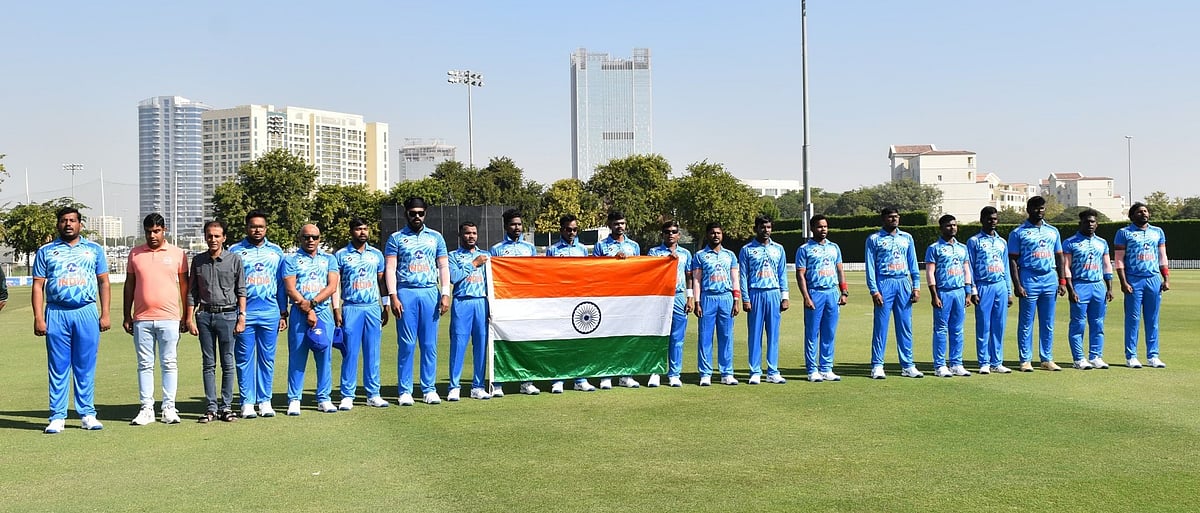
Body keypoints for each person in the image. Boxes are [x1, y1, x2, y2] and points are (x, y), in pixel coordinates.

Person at [33, 207, 111, 433]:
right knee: (58, 367)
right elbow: (38, 286)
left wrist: (105, 313)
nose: (68, 224)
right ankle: (57, 416)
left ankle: (87, 414)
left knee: (85, 365)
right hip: (57, 312)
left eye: (73, 220)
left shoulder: (94, 249)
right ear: (58, 224)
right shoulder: (46, 251)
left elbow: (104, 282)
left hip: (86, 311)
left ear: (80, 224)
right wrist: (38, 317)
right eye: (64, 220)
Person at [122, 213, 189, 425]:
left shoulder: (178, 254)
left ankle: (169, 407)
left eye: (156, 231)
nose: (152, 235)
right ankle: (146, 408)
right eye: (149, 231)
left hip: (170, 318)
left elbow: (185, 287)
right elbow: (129, 285)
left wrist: (187, 315)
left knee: (169, 363)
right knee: (144, 364)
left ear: (164, 230)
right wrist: (126, 314)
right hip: (142, 318)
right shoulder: (135, 253)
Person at [385, 197, 451, 405]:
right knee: (406, 344)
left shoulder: (436, 237)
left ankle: (429, 389)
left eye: (420, 213)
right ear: (406, 213)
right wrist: (393, 295)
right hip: (406, 292)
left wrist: (445, 293)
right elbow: (390, 269)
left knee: (429, 344)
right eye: (413, 213)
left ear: (425, 214)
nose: (417, 217)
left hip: (430, 292)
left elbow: (443, 267)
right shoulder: (396, 238)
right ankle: (405, 390)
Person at [229, 210, 288, 418]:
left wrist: (283, 313)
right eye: (253, 226)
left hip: (270, 312)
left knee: (267, 359)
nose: (257, 230)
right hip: (244, 314)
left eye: (260, 227)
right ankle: (247, 402)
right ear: (247, 227)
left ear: (266, 228)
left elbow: (282, 285)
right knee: (244, 358)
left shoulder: (276, 251)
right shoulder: (235, 250)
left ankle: (265, 401)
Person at [188, 220, 247, 423]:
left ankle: (226, 407)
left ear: (224, 238)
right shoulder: (198, 261)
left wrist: (242, 316)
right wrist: (189, 318)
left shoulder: (234, 260)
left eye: (217, 236)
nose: (213, 239)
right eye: (209, 236)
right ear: (205, 237)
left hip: (228, 315)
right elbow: (192, 293)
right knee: (208, 364)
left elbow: (241, 290)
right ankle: (211, 407)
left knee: (228, 363)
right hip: (204, 316)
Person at [333, 217, 391, 409]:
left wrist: (385, 305)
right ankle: (347, 395)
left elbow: (382, 282)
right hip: (351, 307)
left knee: (372, 352)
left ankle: (373, 394)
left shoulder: (376, 255)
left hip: (372, 307)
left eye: (365, 228)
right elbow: (335, 285)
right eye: (358, 229)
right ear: (351, 231)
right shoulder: (341, 255)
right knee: (350, 352)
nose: (363, 232)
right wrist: (336, 308)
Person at [283, 224, 340, 415]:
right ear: (300, 238)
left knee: (324, 354)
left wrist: (313, 304)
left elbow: (332, 286)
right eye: (306, 237)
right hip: (299, 313)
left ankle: (324, 398)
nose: (310, 240)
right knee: (297, 356)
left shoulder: (329, 259)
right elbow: (290, 288)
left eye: (314, 237)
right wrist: (306, 308)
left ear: (319, 238)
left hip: (323, 312)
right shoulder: (291, 259)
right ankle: (294, 399)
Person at [1008, 196, 1066, 372]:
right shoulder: (1018, 232)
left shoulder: (1053, 231)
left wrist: (1062, 281)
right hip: (1029, 278)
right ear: (1028, 209)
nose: (1039, 211)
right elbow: (1012, 260)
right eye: (1035, 208)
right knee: (1026, 322)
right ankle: (1025, 359)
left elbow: (1060, 257)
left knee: (1048, 321)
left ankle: (1046, 358)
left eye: (1042, 208)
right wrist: (1017, 285)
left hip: (1050, 278)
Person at [489, 208, 542, 396]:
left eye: (519, 224)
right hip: (504, 301)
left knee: (525, 342)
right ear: (506, 226)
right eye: (513, 224)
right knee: (501, 342)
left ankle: (526, 382)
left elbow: (535, 273)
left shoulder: (529, 248)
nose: (517, 227)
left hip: (525, 302)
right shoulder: (496, 249)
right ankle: (498, 383)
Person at [865, 208, 921, 379]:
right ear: (883, 219)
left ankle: (908, 365)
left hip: (903, 282)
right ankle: (877, 365)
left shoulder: (907, 238)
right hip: (884, 282)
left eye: (896, 217)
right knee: (881, 326)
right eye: (890, 217)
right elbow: (870, 266)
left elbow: (913, 263)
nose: (894, 219)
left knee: (905, 326)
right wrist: (874, 290)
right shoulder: (874, 239)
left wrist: (916, 286)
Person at [545, 214, 599, 392]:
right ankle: (558, 379)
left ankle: (580, 379)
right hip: (559, 300)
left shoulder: (583, 250)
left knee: (580, 341)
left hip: (579, 300)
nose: (572, 233)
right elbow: (548, 275)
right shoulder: (552, 250)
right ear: (562, 230)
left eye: (575, 229)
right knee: (560, 340)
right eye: (569, 229)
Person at [1114, 202, 1170, 369]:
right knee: (1133, 319)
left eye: (1145, 211)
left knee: (1152, 319)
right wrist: (1123, 282)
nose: (1144, 214)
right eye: (1139, 212)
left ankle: (1153, 356)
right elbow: (1119, 259)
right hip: (1134, 279)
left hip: (1153, 278)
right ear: (1132, 216)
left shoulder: (1157, 232)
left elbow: (1162, 256)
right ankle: (1131, 356)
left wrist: (1166, 278)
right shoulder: (1124, 233)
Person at [593, 210, 644, 389]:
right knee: (606, 337)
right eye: (616, 224)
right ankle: (605, 375)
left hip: (628, 298)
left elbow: (639, 269)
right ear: (609, 225)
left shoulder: (634, 246)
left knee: (627, 337)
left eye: (622, 223)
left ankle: (625, 374)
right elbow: (595, 270)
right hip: (607, 297)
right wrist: (614, 262)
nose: (619, 226)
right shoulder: (601, 246)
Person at [795, 214, 847, 382]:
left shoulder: (834, 247)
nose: (823, 229)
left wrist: (844, 292)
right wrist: (806, 296)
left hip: (832, 292)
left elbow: (840, 270)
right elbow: (800, 274)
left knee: (829, 332)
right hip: (815, 292)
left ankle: (826, 368)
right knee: (812, 333)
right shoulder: (804, 249)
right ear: (812, 228)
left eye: (825, 226)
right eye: (819, 226)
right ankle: (812, 370)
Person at [739, 216, 790, 384]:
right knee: (755, 334)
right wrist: (745, 298)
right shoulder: (747, 249)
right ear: (756, 229)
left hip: (774, 293)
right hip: (755, 293)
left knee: (773, 334)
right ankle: (755, 371)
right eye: (762, 227)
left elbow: (782, 274)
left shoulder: (779, 249)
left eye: (768, 227)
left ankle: (773, 371)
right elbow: (743, 275)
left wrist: (785, 296)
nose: (766, 230)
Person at [1063, 209, 1114, 370]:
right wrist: (1071, 289)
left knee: (1098, 323)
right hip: (1080, 285)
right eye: (1087, 222)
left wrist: (1109, 288)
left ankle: (1096, 356)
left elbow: (1107, 265)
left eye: (1093, 222)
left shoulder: (1102, 242)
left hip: (1098, 285)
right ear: (1081, 223)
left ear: (1097, 224)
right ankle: (1079, 358)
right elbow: (1066, 267)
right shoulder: (1070, 242)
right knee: (1078, 324)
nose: (1090, 224)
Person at [691, 222, 741, 386]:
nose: (716, 236)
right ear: (707, 235)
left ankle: (727, 373)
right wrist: (697, 302)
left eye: (718, 233)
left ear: (722, 234)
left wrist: (736, 300)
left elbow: (735, 279)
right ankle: (705, 373)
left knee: (726, 336)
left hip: (726, 297)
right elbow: (696, 280)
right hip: (708, 297)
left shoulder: (730, 255)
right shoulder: (700, 255)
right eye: (712, 233)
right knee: (705, 337)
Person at [447, 221, 492, 400]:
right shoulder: (453, 256)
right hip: (462, 302)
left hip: (481, 302)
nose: (471, 236)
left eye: (474, 233)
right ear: (460, 235)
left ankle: (478, 387)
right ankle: (454, 387)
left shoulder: (486, 255)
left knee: (481, 345)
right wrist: (473, 264)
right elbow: (454, 277)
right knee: (458, 344)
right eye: (467, 233)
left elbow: (491, 282)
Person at [925, 214, 973, 378]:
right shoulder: (934, 248)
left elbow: (966, 270)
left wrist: (968, 292)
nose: (952, 228)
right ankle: (940, 365)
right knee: (941, 329)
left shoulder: (962, 248)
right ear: (941, 228)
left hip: (959, 291)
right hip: (943, 292)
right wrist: (934, 295)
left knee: (958, 329)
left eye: (954, 225)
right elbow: (930, 273)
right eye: (948, 225)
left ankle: (956, 364)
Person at [647, 220, 693, 388]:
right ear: (662, 234)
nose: (670, 234)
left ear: (678, 235)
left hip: (678, 296)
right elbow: (650, 273)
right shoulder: (654, 252)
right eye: (667, 232)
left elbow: (689, 277)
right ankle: (655, 372)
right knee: (658, 336)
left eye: (673, 232)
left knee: (677, 337)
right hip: (660, 296)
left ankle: (674, 374)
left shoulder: (686, 254)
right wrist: (666, 260)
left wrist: (690, 298)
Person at [966, 207, 1013, 374]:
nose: (992, 221)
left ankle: (997, 362)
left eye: (994, 218)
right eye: (989, 219)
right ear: (982, 220)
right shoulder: (974, 241)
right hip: (983, 285)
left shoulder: (1002, 242)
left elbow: (1006, 267)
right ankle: (984, 362)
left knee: (999, 325)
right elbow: (969, 266)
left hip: (1000, 285)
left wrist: (1009, 291)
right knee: (984, 325)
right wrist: (973, 290)